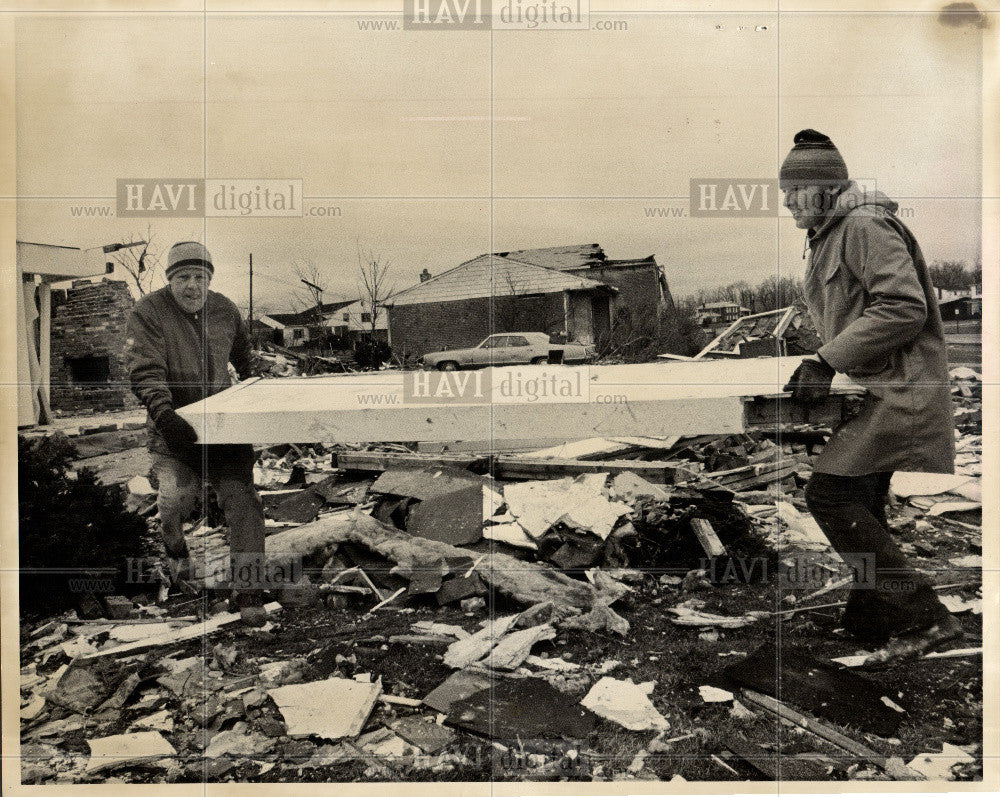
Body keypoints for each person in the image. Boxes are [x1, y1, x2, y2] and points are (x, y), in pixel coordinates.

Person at [778, 129, 962, 666]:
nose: (786, 203)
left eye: (793, 193)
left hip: (898, 388)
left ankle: (924, 616)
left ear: (821, 189)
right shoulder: (832, 231)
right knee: (859, 497)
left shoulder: (862, 224)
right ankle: (872, 614)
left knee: (830, 495)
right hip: (874, 387)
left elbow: (904, 308)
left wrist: (825, 359)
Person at [125, 241, 267, 625]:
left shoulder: (225, 309)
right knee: (175, 501)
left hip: (222, 425)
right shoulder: (148, 312)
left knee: (243, 501)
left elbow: (243, 352)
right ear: (170, 279)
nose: (192, 286)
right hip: (174, 426)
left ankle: (249, 590)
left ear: (209, 279)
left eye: (200, 277)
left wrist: (253, 384)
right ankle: (176, 550)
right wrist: (165, 415)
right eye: (183, 277)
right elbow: (145, 370)